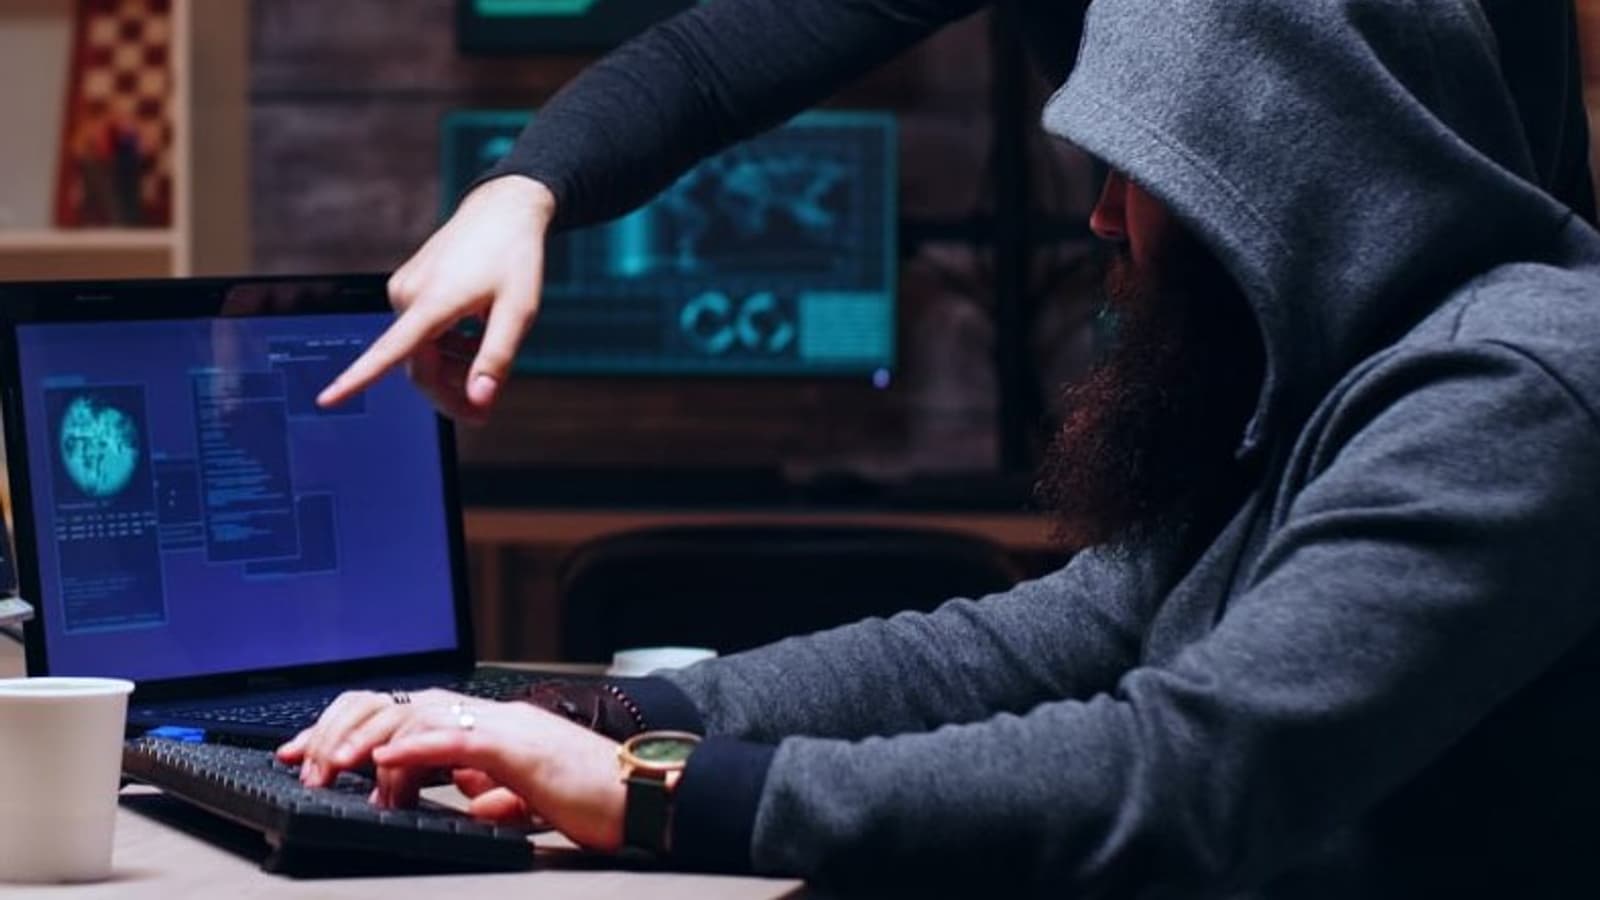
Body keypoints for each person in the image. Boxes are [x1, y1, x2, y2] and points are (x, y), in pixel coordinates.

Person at [281, 0, 1600, 894]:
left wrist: (650, 793)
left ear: (1281, 173)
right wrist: (604, 717)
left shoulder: (1515, 386)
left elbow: (1181, 784)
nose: (1098, 220)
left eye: (1145, 170)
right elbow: (1028, 645)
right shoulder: (1314, 382)